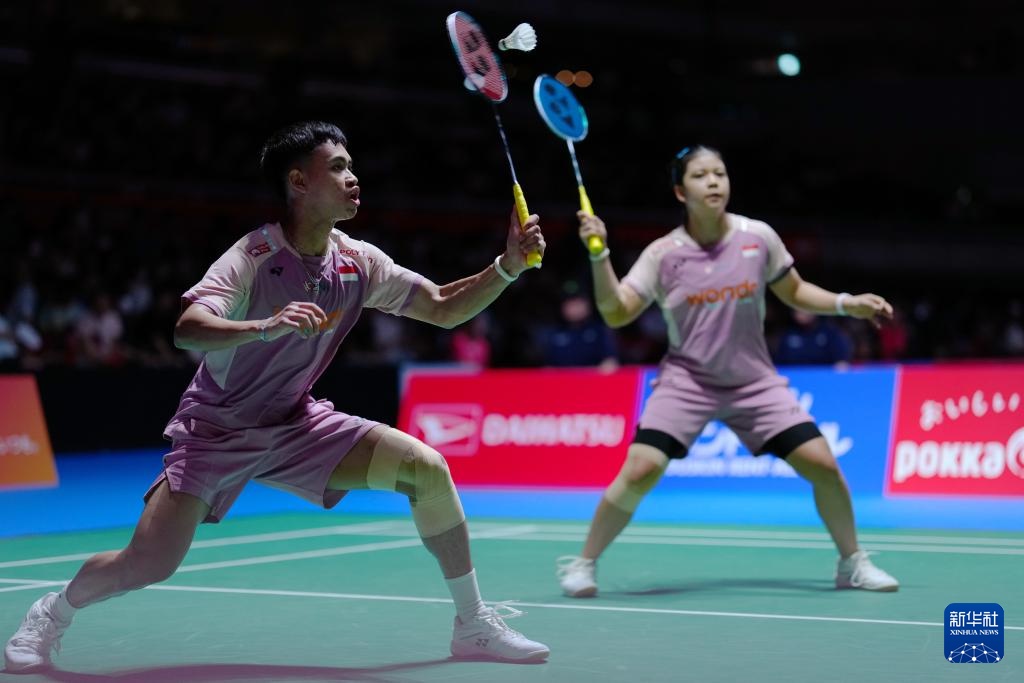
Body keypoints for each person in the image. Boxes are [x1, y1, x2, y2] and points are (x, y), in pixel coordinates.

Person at [5, 121, 550, 673]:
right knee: (147, 563)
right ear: (298, 182)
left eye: (351, 165)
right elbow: (188, 328)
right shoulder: (253, 255)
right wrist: (265, 326)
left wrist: (507, 266)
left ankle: (473, 624)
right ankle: (51, 612)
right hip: (216, 430)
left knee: (425, 468)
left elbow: (442, 306)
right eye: (337, 167)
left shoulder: (358, 261)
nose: (353, 177)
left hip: (295, 423)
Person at [556, 145, 899, 598]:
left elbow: (794, 291)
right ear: (681, 192)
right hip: (687, 382)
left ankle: (852, 562)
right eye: (700, 175)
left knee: (823, 465)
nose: (714, 181)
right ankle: (583, 564)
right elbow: (617, 312)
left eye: (719, 173)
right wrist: (599, 256)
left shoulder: (758, 237)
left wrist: (845, 303)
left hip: (754, 381)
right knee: (640, 469)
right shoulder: (663, 254)